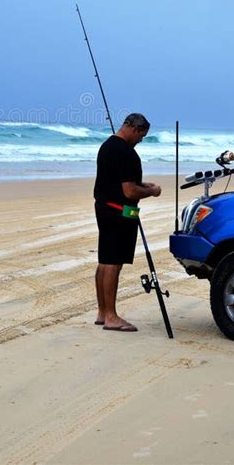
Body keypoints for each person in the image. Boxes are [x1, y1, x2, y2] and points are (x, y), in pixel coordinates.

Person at [93, 112, 161, 332]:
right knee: (113, 262)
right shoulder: (126, 153)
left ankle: (103, 312)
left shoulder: (107, 146)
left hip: (104, 208)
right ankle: (112, 317)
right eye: (141, 135)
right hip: (120, 211)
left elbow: (118, 181)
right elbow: (130, 191)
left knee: (104, 260)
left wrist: (143, 185)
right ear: (133, 128)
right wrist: (152, 191)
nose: (141, 140)